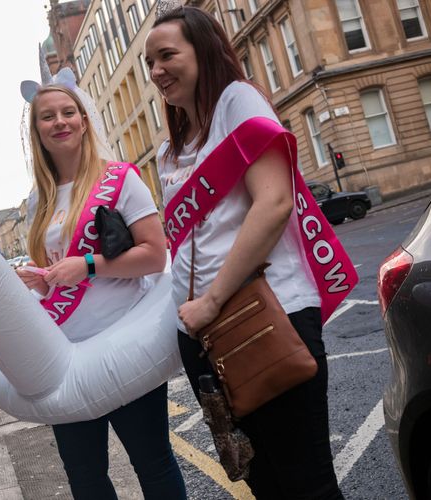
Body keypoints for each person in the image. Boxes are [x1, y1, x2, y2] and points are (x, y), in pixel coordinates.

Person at [145, 6, 345, 499]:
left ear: (205, 50)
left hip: (263, 315)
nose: (156, 71)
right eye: (150, 62)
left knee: (307, 485)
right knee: (265, 485)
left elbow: (274, 202)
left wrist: (211, 301)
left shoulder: (238, 100)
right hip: (203, 337)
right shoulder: (170, 151)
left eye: (168, 55)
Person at [15, 75, 187, 499]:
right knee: (84, 477)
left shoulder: (120, 179)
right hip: (67, 358)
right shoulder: (41, 200)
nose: (60, 121)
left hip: (123, 345)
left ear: (84, 120)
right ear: (36, 131)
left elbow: (155, 254)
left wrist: (89, 264)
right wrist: (42, 280)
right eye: (47, 116)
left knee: (153, 462)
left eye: (68, 112)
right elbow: (60, 273)